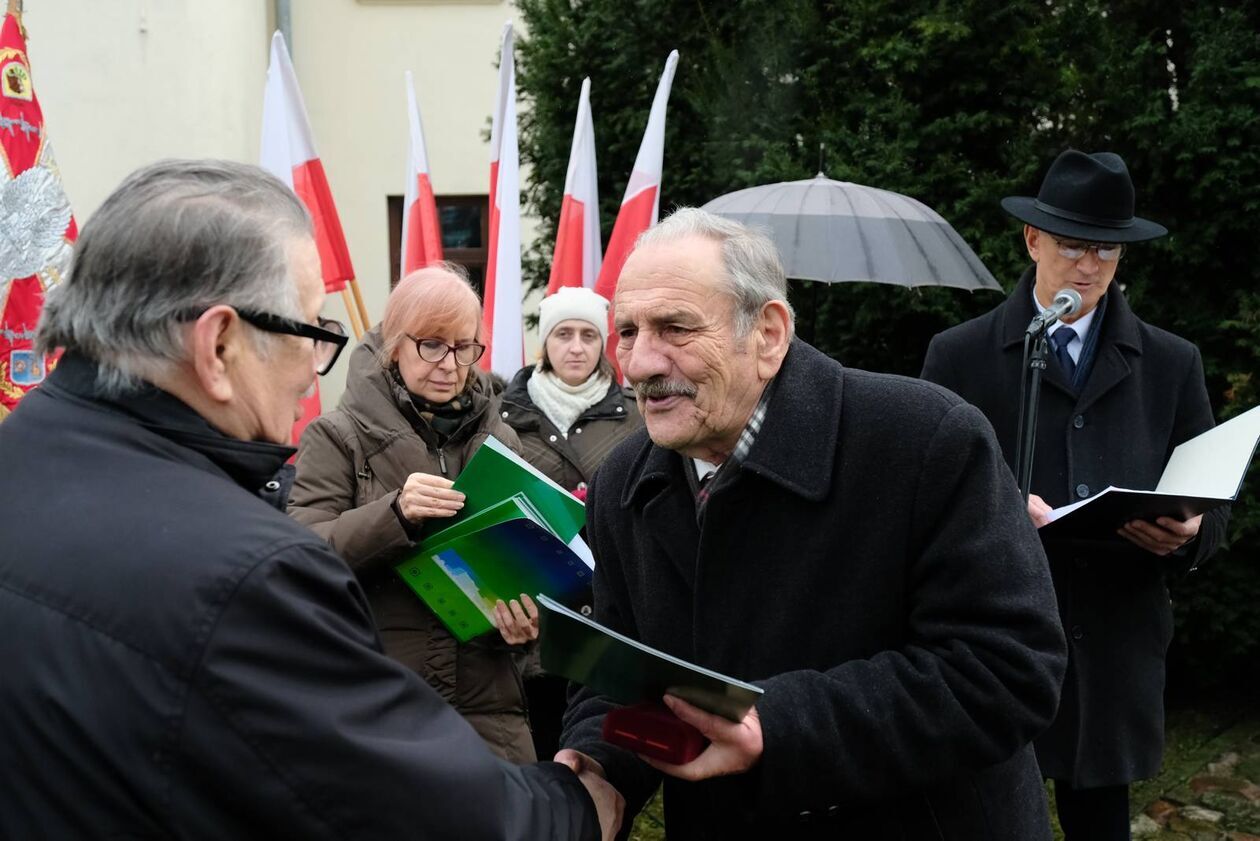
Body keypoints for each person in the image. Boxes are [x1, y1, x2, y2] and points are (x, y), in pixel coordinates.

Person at [0, 159, 620, 839]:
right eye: (310, 331)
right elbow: (402, 804)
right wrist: (578, 806)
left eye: (463, 347)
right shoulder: (244, 571)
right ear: (219, 344)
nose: (311, 369)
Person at [557, 207, 1068, 840]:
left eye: (675, 328)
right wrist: (599, 768)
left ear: (768, 334)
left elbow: (1006, 671)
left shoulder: (926, 440)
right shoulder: (623, 481)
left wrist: (776, 726)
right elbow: (618, 672)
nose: (637, 364)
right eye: (627, 331)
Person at [921, 149, 1229, 840]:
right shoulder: (959, 355)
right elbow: (923, 497)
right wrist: (996, 510)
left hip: (1112, 640)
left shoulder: (1173, 363)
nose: (1088, 265)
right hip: (993, 636)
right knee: (988, 813)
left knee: (1100, 823)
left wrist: (1191, 531)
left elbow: (1213, 501)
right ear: (1033, 240)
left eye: (1106, 249)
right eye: (1071, 246)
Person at [289, 264, 541, 764]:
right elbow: (298, 553)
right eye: (432, 344)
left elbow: (523, 562)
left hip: (488, 709)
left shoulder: (503, 439)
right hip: (376, 705)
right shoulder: (337, 435)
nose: (450, 363)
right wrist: (395, 514)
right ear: (394, 345)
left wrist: (526, 628)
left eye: (464, 347)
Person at [500, 285, 643, 759]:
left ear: (603, 343)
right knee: (539, 748)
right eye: (563, 334)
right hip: (532, 604)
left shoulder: (637, 417)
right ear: (545, 342)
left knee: (600, 753)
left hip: (611, 606)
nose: (576, 347)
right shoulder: (504, 414)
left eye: (588, 334)